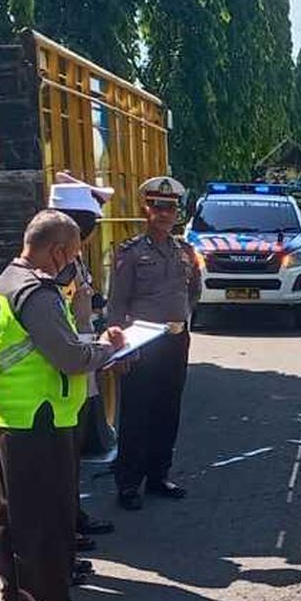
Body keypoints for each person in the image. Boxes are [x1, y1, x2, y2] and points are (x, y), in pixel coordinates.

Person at [0, 210, 124, 601]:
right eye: (74, 255)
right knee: (47, 522)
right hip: (42, 419)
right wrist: (107, 350)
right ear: (58, 251)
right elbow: (70, 358)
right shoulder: (37, 294)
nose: (73, 264)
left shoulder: (1, 286)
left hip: (11, 415)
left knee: (14, 519)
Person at [107, 176, 201, 511]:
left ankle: (159, 475)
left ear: (177, 212)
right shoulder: (130, 253)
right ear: (145, 209)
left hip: (175, 340)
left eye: (170, 208)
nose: (163, 214)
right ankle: (129, 483)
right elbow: (117, 303)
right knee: (136, 413)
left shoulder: (185, 251)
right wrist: (120, 347)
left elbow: (194, 291)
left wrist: (182, 318)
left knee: (167, 410)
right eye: (157, 207)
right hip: (143, 342)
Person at [49, 173, 117, 547]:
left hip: (80, 366)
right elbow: (64, 322)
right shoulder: (57, 267)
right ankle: (65, 529)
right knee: (62, 458)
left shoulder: (70, 261)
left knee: (71, 455)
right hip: (66, 369)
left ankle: (73, 516)